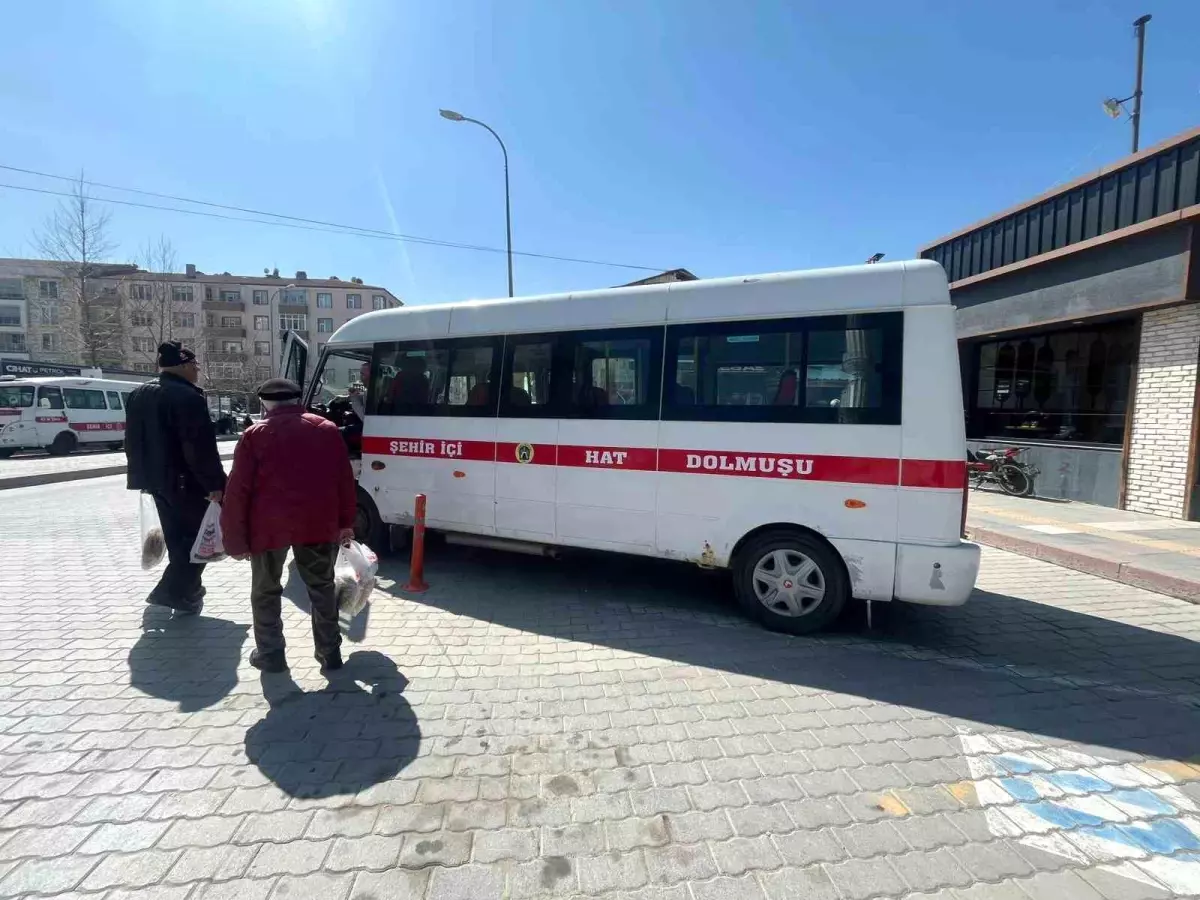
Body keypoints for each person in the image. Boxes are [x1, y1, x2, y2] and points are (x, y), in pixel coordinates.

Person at [220, 378, 357, 673]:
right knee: (321, 587)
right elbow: (344, 481)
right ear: (298, 399)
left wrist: (235, 541)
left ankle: (271, 655)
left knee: (266, 591)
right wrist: (346, 522)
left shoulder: (254, 434)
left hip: (267, 528)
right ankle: (330, 653)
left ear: (264, 402)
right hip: (317, 525)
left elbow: (237, 491)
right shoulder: (326, 429)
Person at [125, 341, 226, 615]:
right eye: (195, 365)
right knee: (200, 539)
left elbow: (132, 442)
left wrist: (140, 476)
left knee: (178, 538)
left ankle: (186, 591)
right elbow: (199, 448)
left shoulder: (139, 393)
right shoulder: (188, 398)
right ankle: (172, 590)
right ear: (183, 365)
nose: (197, 371)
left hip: (153, 481)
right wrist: (215, 485)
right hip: (186, 482)